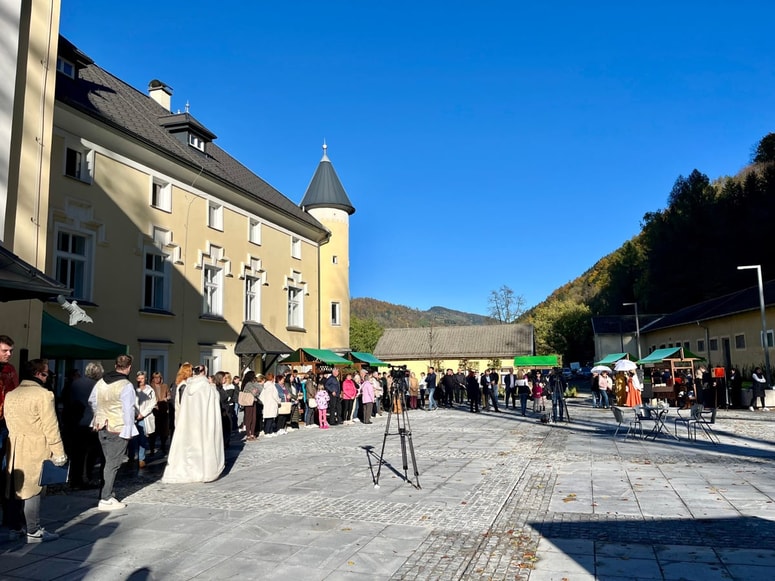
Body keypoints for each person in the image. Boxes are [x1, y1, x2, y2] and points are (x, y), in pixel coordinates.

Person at [4, 359, 68, 543]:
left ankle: (14, 527)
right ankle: (33, 529)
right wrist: (59, 452)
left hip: (14, 445)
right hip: (35, 445)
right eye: (47, 373)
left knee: (14, 487)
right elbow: (51, 426)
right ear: (39, 374)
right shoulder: (43, 395)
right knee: (33, 488)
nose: (48, 377)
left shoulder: (11, 394)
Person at [89, 354, 138, 511]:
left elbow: (93, 401)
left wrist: (99, 415)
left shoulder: (101, 382)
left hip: (101, 425)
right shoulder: (126, 385)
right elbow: (128, 410)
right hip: (118, 427)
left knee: (106, 461)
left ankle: (104, 493)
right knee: (113, 464)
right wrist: (128, 430)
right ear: (129, 367)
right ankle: (106, 498)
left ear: (116, 365)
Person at [162, 364, 225, 483]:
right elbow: (215, 402)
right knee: (203, 445)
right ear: (204, 372)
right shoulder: (207, 388)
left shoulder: (187, 387)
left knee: (189, 447)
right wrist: (213, 388)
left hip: (189, 423)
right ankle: (205, 471)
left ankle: (188, 471)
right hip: (203, 423)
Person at [68, 362, 104, 489]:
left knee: (77, 453)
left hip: (76, 422)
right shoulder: (99, 385)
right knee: (91, 453)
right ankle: (86, 477)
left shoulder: (75, 383)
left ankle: (74, 479)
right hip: (91, 423)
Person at [0, 334, 20, 529]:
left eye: (10, 351)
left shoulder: (10, 370)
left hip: (6, 423)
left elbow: (15, 393)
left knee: (6, 467)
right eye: (5, 350)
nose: (8, 354)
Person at [134, 371, 157, 469]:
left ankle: (141, 459)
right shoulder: (133, 390)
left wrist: (142, 414)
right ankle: (131, 456)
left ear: (145, 379)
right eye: (139, 378)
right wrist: (136, 413)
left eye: (142, 378)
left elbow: (152, 403)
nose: (140, 380)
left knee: (142, 438)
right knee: (132, 439)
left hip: (144, 417)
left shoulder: (150, 390)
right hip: (134, 417)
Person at [148, 372, 170, 455]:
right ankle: (152, 449)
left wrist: (167, 398)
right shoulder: (150, 387)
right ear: (153, 379)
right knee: (153, 431)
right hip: (154, 411)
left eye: (158, 377)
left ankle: (163, 447)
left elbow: (169, 395)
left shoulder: (165, 386)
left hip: (163, 410)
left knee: (164, 431)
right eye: (155, 377)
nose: (157, 379)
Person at [241, 371, 262, 440]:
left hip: (253, 402)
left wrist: (256, 391)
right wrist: (256, 391)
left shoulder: (253, 383)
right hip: (248, 402)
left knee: (253, 418)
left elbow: (258, 390)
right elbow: (254, 392)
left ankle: (252, 434)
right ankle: (248, 434)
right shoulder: (248, 384)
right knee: (249, 418)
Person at [259, 372, 281, 437]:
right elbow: (275, 395)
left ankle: (270, 431)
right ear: (272, 378)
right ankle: (267, 432)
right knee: (270, 419)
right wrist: (279, 401)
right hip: (272, 404)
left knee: (268, 419)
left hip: (266, 404)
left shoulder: (265, 386)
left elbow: (261, 396)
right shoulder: (272, 386)